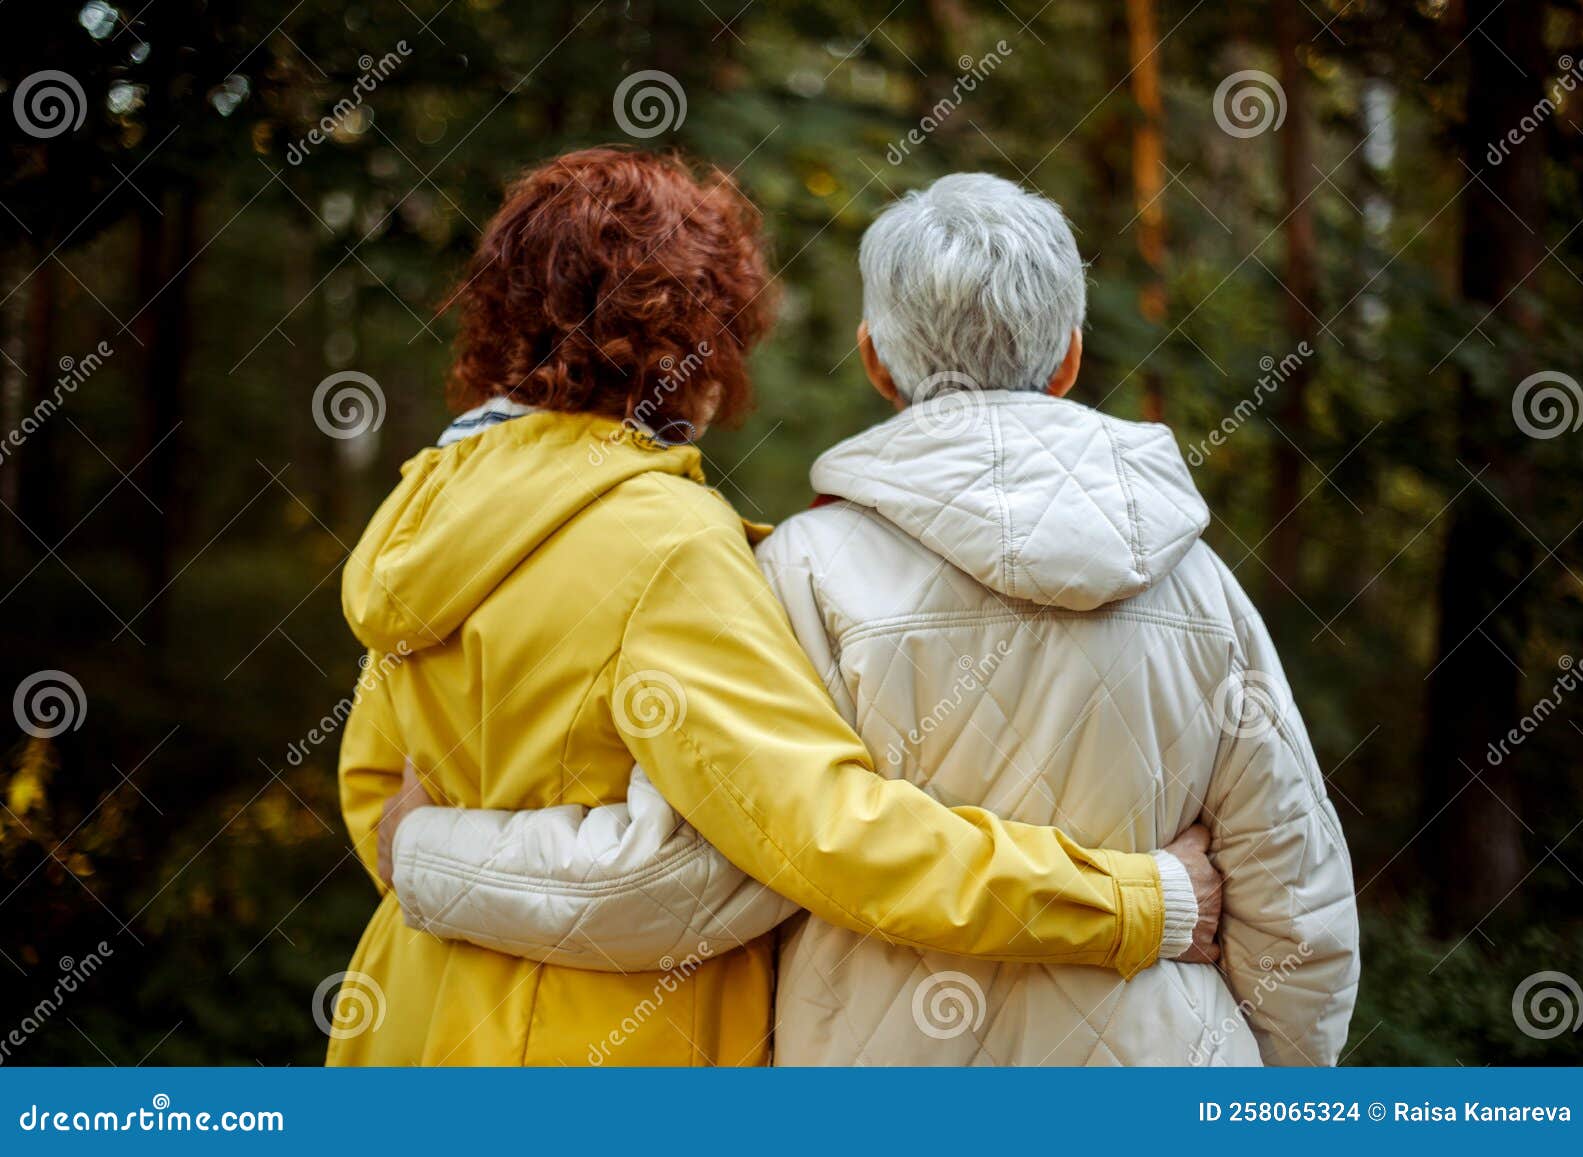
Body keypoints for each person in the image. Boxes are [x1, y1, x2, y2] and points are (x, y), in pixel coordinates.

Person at [378, 172, 1360, 1066]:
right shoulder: (1198, 583)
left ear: (875, 362)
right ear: (1067, 356)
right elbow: (1298, 897)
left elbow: (710, 874)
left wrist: (423, 851)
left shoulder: (789, 573)